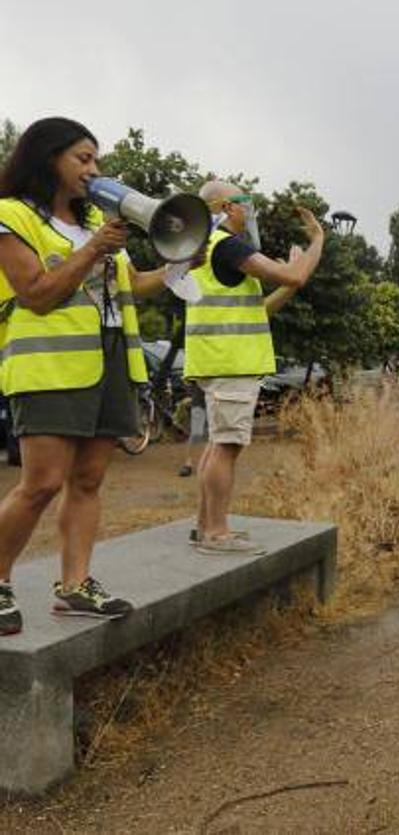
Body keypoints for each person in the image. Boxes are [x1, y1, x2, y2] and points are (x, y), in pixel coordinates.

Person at [0, 117, 181, 627]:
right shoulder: (12, 216)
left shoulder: (93, 223)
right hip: (50, 362)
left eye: (95, 159)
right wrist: (94, 248)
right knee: (41, 483)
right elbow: (36, 293)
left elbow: (130, 285)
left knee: (88, 479)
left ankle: (76, 585)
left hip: (109, 361)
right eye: (83, 158)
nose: (93, 170)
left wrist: (175, 268)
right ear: (46, 158)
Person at [185, 181, 321, 555]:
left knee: (218, 445)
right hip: (231, 360)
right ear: (228, 207)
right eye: (247, 203)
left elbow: (258, 308)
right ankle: (216, 532)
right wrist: (317, 242)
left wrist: (292, 280)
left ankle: (204, 527)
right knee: (227, 446)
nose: (251, 212)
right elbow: (294, 274)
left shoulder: (205, 249)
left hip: (216, 358)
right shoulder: (227, 245)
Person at [179, 381, 206, 478]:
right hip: (199, 400)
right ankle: (188, 463)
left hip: (217, 399)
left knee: (215, 434)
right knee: (196, 433)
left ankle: (211, 463)